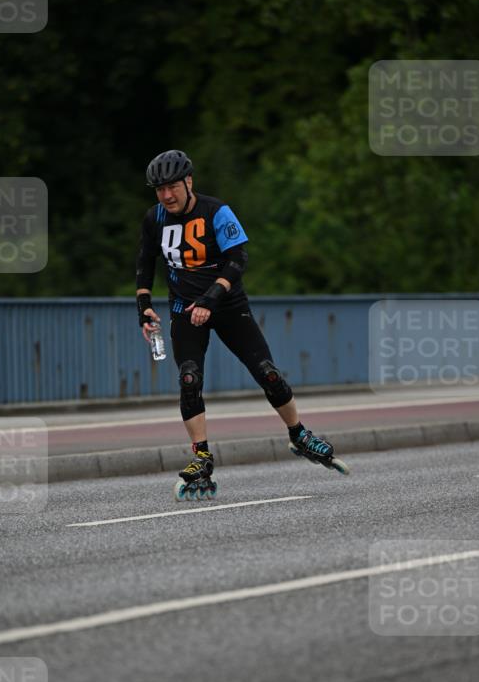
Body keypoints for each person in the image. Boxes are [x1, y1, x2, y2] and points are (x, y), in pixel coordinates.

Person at [136, 149, 347, 497]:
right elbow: (145, 260)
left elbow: (238, 260)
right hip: (184, 311)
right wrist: (144, 305)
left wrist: (209, 300)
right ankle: (201, 458)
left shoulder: (216, 211)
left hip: (228, 305)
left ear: (189, 182)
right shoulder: (155, 218)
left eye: (172, 186)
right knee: (189, 378)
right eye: (159, 189)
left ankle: (300, 435)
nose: (166, 195)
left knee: (267, 372)